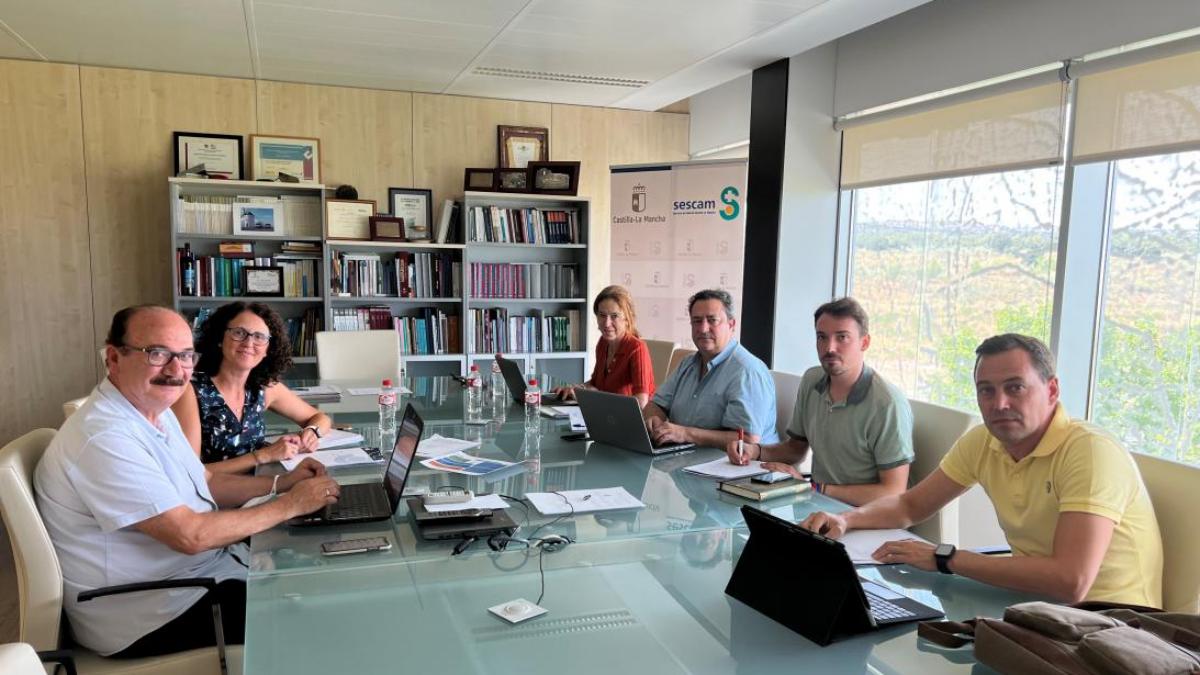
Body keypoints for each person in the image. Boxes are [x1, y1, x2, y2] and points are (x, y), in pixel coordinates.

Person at [34, 305, 340, 657]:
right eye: (157, 353)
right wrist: (290, 505)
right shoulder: (104, 436)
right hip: (149, 610)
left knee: (320, 584)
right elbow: (189, 535)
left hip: (192, 576)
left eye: (184, 355)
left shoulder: (153, 413)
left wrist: (282, 485)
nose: (176, 370)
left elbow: (205, 481)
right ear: (114, 358)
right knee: (315, 623)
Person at [800, 334, 1163, 606]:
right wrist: (848, 521)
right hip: (1036, 609)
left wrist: (946, 558)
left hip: (1113, 626)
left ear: (1052, 390)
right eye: (986, 391)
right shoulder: (983, 441)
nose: (999, 403)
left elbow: (1072, 580)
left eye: (1015, 388)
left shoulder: (1089, 451)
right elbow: (909, 506)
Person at [726, 298, 912, 506]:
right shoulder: (812, 380)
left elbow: (894, 492)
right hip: (817, 506)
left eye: (842, 337)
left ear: (864, 342)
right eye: (822, 337)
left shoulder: (887, 404)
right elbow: (796, 449)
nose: (829, 347)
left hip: (864, 518)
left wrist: (815, 488)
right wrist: (755, 451)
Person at [172, 301, 331, 473]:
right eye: (239, 333)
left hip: (259, 486)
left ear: (267, 349)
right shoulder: (191, 391)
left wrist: (312, 432)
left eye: (259, 337)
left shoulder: (264, 387)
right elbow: (191, 473)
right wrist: (264, 455)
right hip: (212, 496)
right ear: (220, 338)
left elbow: (320, 417)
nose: (249, 343)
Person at [643, 289, 777, 448]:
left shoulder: (747, 370)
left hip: (739, 467)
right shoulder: (687, 363)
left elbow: (746, 440)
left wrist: (686, 433)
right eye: (697, 321)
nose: (703, 328)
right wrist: (654, 420)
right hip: (687, 459)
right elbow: (656, 405)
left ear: (731, 325)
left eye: (712, 320)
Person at [553, 285, 656, 407]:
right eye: (602, 315)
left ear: (627, 318)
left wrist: (601, 399)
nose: (607, 323)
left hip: (630, 420)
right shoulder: (603, 342)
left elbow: (641, 402)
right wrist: (575, 389)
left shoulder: (637, 348)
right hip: (605, 414)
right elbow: (596, 385)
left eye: (614, 316)